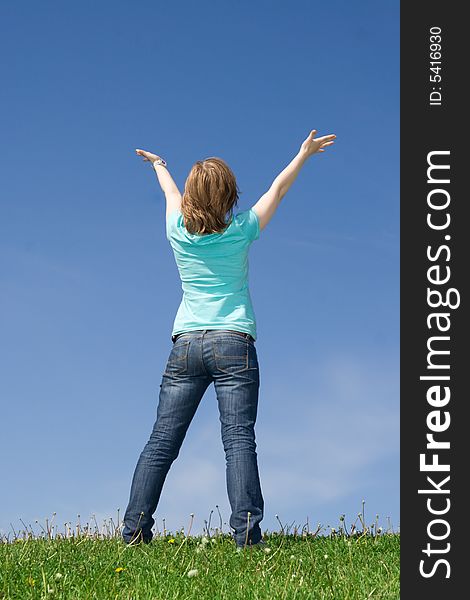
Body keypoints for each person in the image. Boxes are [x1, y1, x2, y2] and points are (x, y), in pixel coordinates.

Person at [121, 129, 336, 548]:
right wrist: (303, 154)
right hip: (234, 342)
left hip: (185, 345)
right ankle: (246, 537)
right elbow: (279, 188)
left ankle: (133, 533)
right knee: (238, 439)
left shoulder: (177, 230)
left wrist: (160, 168)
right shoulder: (242, 229)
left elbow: (169, 195)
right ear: (230, 195)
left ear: (189, 197)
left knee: (162, 440)